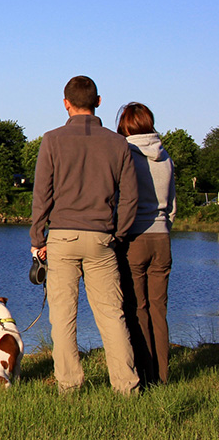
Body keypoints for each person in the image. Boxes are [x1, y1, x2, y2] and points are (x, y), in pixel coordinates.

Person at [29, 76, 140, 394]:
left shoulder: (52, 140)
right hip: (102, 237)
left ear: (66, 103)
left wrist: (38, 239)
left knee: (62, 318)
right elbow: (130, 198)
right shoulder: (118, 143)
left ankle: (69, 386)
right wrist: (118, 233)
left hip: (61, 238)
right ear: (99, 101)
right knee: (111, 315)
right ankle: (126, 386)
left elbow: (42, 195)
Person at [115, 102, 175, 386]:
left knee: (137, 309)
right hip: (162, 238)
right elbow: (172, 205)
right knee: (158, 310)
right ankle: (162, 376)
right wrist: (163, 224)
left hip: (135, 237)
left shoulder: (124, 153)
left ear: (125, 125)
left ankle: (145, 375)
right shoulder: (165, 157)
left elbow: (120, 199)